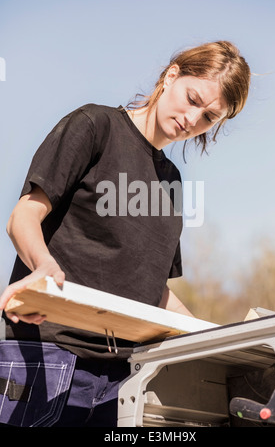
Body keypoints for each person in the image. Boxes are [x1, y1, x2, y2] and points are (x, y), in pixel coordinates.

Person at [0, 40, 251, 427]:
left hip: (124, 380)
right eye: (192, 98)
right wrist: (42, 265)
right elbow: (23, 215)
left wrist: (219, 341)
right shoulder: (94, 126)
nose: (193, 118)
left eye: (208, 117)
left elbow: (154, 292)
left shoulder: (171, 182)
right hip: (51, 359)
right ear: (171, 76)